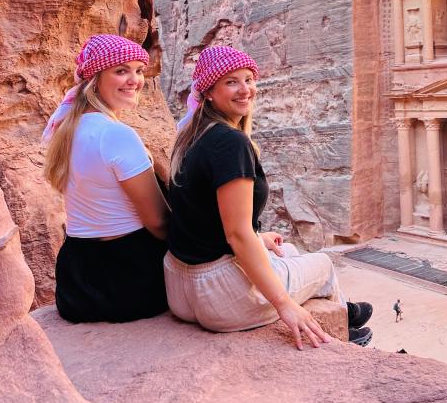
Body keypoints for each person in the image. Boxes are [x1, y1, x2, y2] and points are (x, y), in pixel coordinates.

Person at [163, 46, 373, 348]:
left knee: (286, 251)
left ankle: (345, 317)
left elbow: (201, 215)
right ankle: (343, 328)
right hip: (220, 298)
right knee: (324, 265)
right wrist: (283, 303)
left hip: (181, 288)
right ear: (208, 91)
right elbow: (237, 234)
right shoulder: (230, 143)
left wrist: (257, 239)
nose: (245, 89)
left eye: (248, 79)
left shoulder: (192, 135)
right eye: (231, 82)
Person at [43, 34, 169, 323]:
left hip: (76, 285)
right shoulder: (115, 134)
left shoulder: (65, 130)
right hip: (129, 284)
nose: (135, 80)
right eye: (121, 70)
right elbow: (159, 222)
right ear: (95, 79)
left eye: (138, 70)